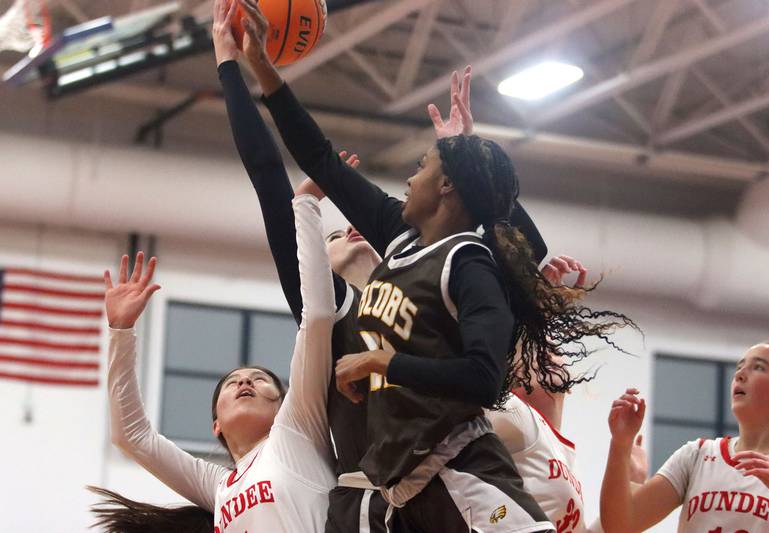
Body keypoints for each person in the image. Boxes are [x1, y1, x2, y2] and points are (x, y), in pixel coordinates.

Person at [234, 1, 635, 531]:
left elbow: (483, 377)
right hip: (397, 496)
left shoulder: (470, 265)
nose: (409, 178)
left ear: (447, 186)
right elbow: (320, 157)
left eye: (423, 165)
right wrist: (262, 66)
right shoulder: (399, 238)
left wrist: (382, 364)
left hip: (466, 476)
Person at [210, 0, 388, 529]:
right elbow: (269, 181)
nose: (348, 228)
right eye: (331, 233)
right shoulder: (328, 321)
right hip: (372, 507)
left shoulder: (417, 289)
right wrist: (228, 64)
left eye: (353, 226)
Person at [99, 190, 339, 532]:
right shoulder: (217, 486)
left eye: (259, 379)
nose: (244, 382)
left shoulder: (296, 430)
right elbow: (131, 435)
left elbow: (316, 317)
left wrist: (306, 205)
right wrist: (120, 330)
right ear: (216, 425)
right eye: (232, 382)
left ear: (284, 402)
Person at [488, 255, 648, 533]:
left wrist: (629, 475)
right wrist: (535, 306)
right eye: (538, 350)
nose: (549, 347)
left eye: (551, 347)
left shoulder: (563, 453)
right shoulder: (514, 419)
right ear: (513, 380)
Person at [600, 342, 769, 533]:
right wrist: (620, 444)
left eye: (758, 367)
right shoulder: (697, 454)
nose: (740, 374)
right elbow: (620, 525)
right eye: (740, 367)